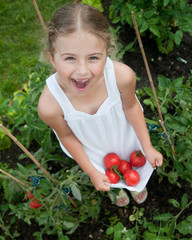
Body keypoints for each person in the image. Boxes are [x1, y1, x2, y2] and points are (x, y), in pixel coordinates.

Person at [38, 3, 163, 207]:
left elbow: (131, 108)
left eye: (93, 58)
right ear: (52, 58)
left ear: (107, 53)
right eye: (70, 58)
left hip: (123, 134)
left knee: (132, 163)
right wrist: (91, 172)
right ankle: (116, 187)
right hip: (92, 148)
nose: (82, 71)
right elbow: (67, 135)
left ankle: (133, 181)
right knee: (105, 174)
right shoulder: (50, 105)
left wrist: (147, 147)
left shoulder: (121, 77)